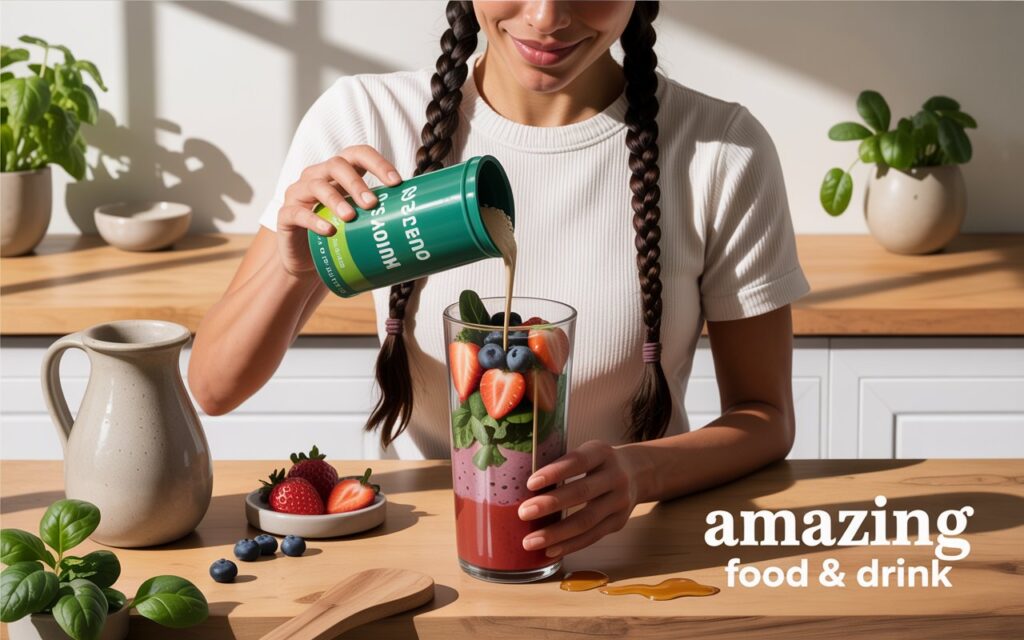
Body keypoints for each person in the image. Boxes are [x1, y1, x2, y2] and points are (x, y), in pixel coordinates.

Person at [189, 0, 810, 561]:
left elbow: (766, 415)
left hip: (636, 551)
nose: (546, 17)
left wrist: (640, 473)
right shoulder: (368, 120)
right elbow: (214, 387)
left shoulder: (723, 150)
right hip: (425, 551)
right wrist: (292, 269)